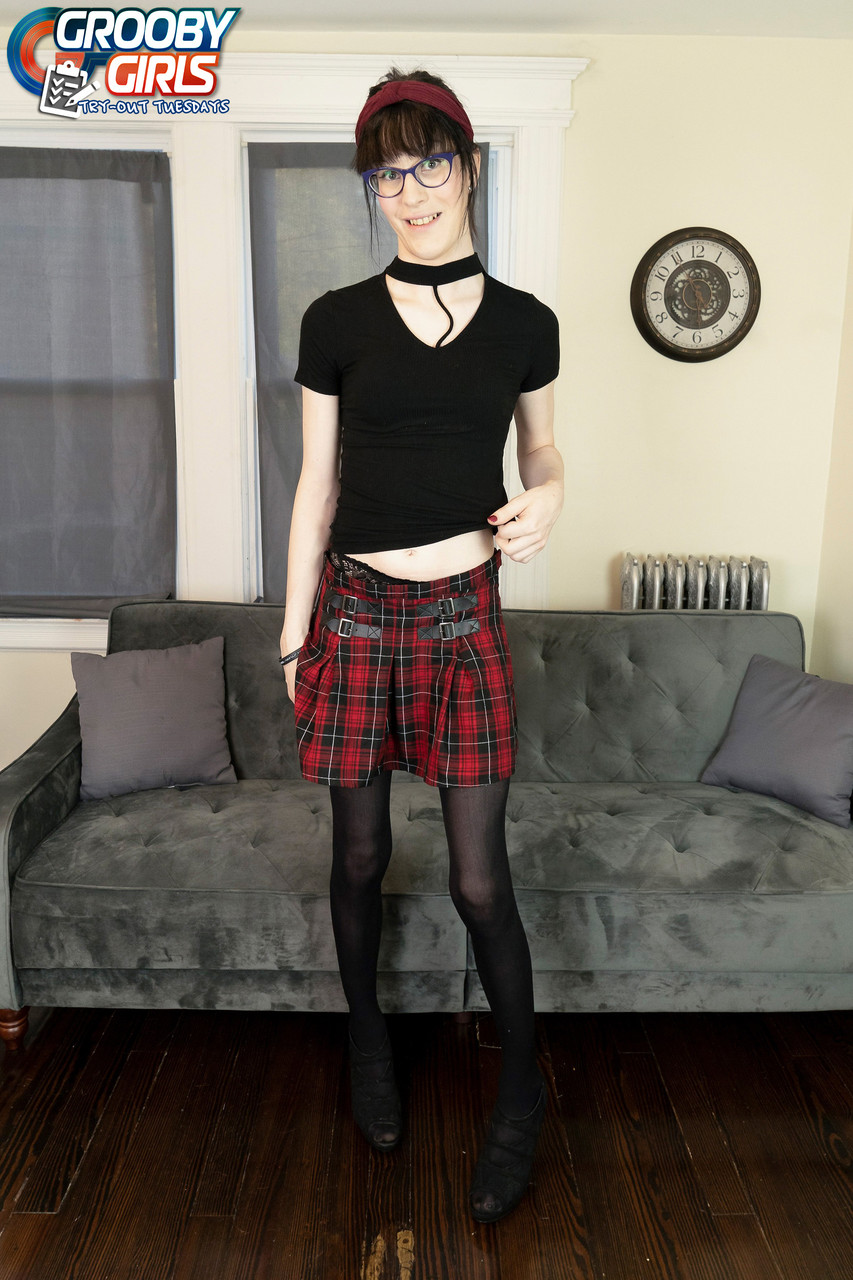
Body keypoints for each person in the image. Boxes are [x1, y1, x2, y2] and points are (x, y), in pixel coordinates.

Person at [279, 67, 563, 1224]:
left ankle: (520, 1094)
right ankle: (368, 1044)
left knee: (478, 879)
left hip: (463, 620)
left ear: (469, 166)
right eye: (387, 174)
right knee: (357, 855)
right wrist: (291, 634)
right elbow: (315, 485)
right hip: (352, 614)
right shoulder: (335, 320)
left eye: (429, 163)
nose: (410, 191)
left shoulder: (526, 323)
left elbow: (541, 451)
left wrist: (555, 491)